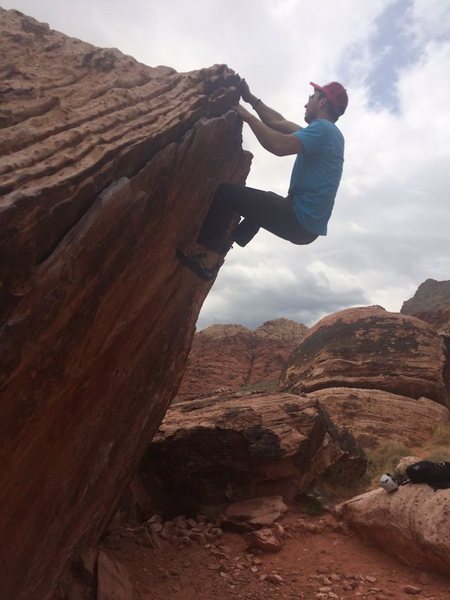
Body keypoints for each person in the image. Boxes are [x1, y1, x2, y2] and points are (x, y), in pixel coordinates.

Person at [177, 79, 348, 281]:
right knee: (263, 203)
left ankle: (208, 260)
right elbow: (278, 122)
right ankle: (225, 244)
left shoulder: (323, 130)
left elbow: (278, 146)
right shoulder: (329, 134)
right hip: (305, 225)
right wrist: (251, 99)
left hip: (298, 219)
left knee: (225, 194)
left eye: (311, 97)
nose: (306, 103)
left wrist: (248, 117)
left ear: (322, 102)